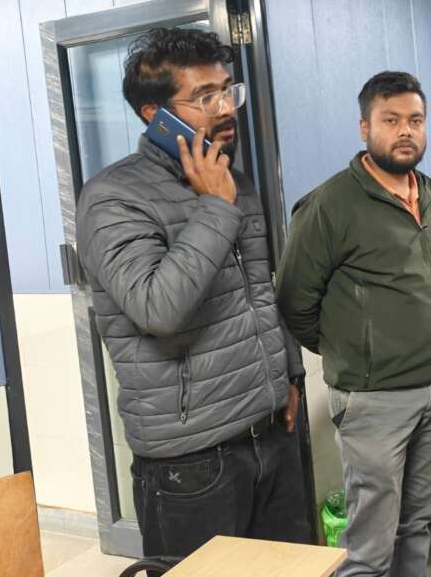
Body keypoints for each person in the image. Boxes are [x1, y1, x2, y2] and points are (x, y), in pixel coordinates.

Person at [75, 28, 309, 558]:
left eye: (227, 90)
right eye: (205, 97)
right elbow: (158, 308)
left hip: (271, 433)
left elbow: (259, 291)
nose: (226, 109)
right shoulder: (113, 197)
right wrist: (215, 208)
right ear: (154, 114)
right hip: (193, 463)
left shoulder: (234, 182)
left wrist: (289, 374)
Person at [276, 71, 431, 577]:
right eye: (391, 120)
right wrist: (354, 350)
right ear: (365, 128)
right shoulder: (330, 205)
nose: (406, 131)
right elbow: (294, 301)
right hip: (374, 398)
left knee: (417, 523)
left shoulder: (430, 195)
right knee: (370, 548)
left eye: (415, 120)